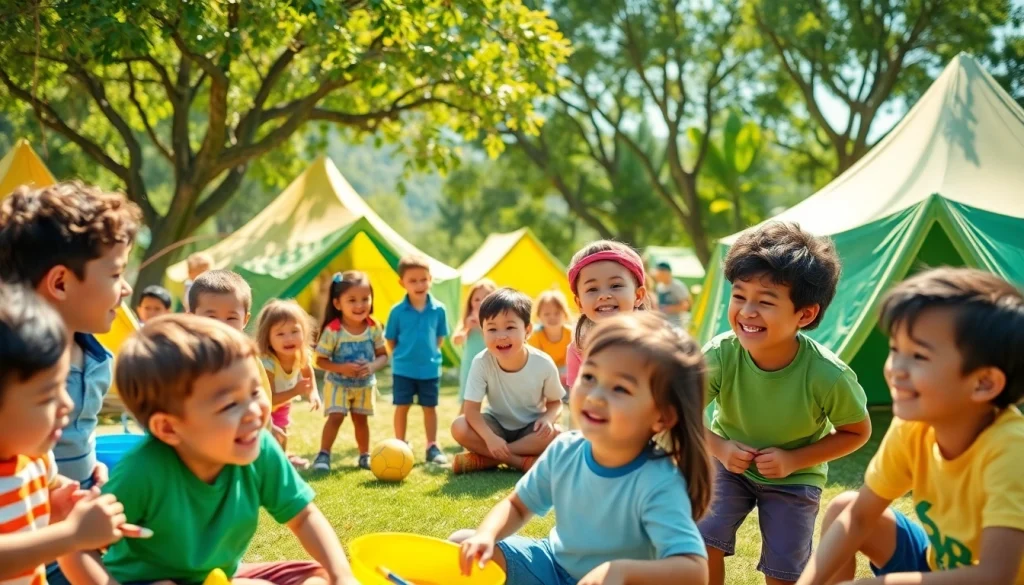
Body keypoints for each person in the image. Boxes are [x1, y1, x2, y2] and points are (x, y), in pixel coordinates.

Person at [58, 315, 359, 585]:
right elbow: (77, 549)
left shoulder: (259, 447)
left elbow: (303, 516)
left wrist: (341, 575)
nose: (254, 411)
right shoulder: (143, 471)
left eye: (255, 391)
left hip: (216, 577)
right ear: (168, 428)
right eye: (230, 404)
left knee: (319, 575)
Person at [797, 267, 1024, 585]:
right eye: (895, 350)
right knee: (844, 507)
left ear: (984, 382)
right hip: (939, 567)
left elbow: (996, 574)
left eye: (918, 355)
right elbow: (860, 517)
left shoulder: (1011, 452)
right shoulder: (913, 427)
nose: (895, 370)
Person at [453, 312, 712, 585]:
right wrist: (486, 534)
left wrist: (620, 571)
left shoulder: (658, 481)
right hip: (550, 565)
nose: (595, 396)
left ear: (662, 417)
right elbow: (517, 506)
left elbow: (694, 570)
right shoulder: (565, 448)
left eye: (620, 388)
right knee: (462, 544)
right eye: (589, 376)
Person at [701, 222, 871, 585]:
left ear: (805, 314)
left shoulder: (828, 375)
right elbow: (677, 412)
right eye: (739, 295)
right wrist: (719, 447)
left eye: (764, 301)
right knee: (701, 539)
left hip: (795, 479)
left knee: (784, 571)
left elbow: (856, 431)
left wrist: (794, 459)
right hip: (728, 467)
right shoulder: (720, 355)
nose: (747, 311)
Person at [0, 181, 141, 585]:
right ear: (60, 283)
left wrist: (75, 488)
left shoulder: (96, 358)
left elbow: (49, 472)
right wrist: (71, 533)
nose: (126, 287)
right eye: (115, 273)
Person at [186, 270, 303, 465]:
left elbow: (262, 396)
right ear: (192, 317)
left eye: (231, 318)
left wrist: (270, 426)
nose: (222, 325)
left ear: (245, 320)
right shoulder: (190, 360)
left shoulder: (249, 360)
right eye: (211, 317)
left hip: (246, 442)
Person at [450, 288, 564, 474]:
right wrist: (490, 438)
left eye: (510, 327)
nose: (501, 336)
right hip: (495, 425)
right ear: (483, 331)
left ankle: (487, 459)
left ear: (527, 330)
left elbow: (555, 403)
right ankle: (519, 462)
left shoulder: (543, 363)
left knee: (557, 434)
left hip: (530, 428)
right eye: (492, 329)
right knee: (459, 426)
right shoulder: (481, 362)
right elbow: (471, 411)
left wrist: (548, 419)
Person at [311, 271, 389, 472]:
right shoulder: (333, 330)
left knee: (360, 420)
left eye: (365, 299)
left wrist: (372, 367)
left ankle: (365, 455)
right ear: (337, 304)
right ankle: (323, 454)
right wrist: (342, 368)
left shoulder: (374, 328)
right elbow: (319, 360)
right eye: (352, 300)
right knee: (336, 417)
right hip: (338, 384)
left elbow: (383, 355)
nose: (359, 305)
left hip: (364, 385)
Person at [385, 255, 450, 465]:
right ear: (401, 283)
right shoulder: (396, 312)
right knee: (402, 406)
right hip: (403, 369)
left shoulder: (439, 310)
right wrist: (405, 357)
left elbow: (439, 339)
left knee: (429, 407)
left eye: (424, 279)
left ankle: (432, 445)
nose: (419, 285)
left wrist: (427, 356)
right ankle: (400, 444)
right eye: (413, 281)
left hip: (430, 369)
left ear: (430, 279)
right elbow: (391, 340)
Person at [564, 241, 650, 390]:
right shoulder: (578, 349)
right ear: (579, 303)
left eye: (615, 285)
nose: (604, 296)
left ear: (638, 296)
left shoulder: (654, 343)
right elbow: (579, 398)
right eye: (592, 289)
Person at [255, 299, 323, 469]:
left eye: (294, 331)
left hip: (283, 403)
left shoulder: (302, 354)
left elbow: (308, 373)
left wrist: (313, 393)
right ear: (267, 338)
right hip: (264, 406)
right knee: (269, 436)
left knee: (283, 433)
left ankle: (283, 460)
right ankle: (268, 464)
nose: (289, 338)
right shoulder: (268, 364)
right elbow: (269, 400)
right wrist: (295, 391)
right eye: (280, 334)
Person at [454, 279, 498, 414]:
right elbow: (457, 340)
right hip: (470, 364)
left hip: (492, 364)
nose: (480, 302)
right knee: (467, 399)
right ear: (470, 302)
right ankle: (461, 427)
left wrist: (481, 326)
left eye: (485, 298)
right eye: (476, 299)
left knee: (493, 400)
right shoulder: (468, 319)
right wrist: (467, 328)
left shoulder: (497, 321)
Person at [527, 289, 574, 388]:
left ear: (565, 314)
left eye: (557, 313)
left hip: (566, 371)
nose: (552, 317)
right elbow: (536, 363)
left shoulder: (571, 334)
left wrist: (567, 376)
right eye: (547, 314)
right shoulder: (535, 336)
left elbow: (574, 361)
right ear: (539, 316)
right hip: (544, 370)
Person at [652, 261, 691, 328]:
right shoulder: (659, 286)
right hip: (664, 322)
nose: (657, 276)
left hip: (677, 323)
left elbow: (685, 305)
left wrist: (667, 309)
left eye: (660, 273)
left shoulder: (677, 286)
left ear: (667, 273)